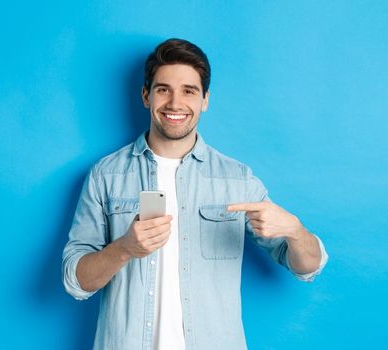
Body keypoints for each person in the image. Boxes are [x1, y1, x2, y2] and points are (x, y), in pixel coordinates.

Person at [62, 38, 329, 350]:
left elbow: (308, 266)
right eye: (163, 89)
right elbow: (75, 281)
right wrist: (124, 248)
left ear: (205, 100)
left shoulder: (236, 179)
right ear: (146, 96)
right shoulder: (105, 176)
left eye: (189, 91)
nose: (175, 103)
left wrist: (296, 231)